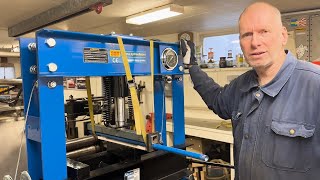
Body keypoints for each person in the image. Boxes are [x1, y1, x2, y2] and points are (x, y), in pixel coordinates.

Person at [181, 2, 320, 180]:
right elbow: (217, 99)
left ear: (283, 35)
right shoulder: (242, 84)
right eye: (247, 35)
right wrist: (192, 66)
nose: (255, 42)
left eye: (264, 31)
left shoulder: (314, 84)